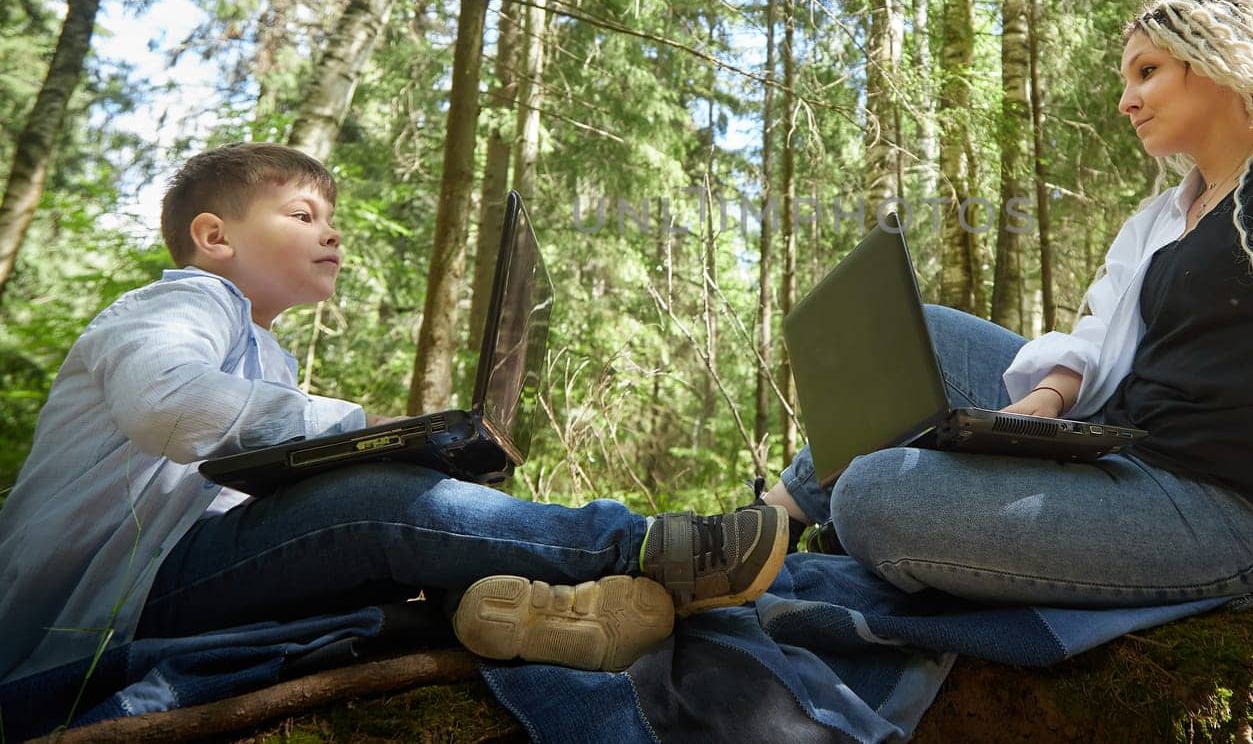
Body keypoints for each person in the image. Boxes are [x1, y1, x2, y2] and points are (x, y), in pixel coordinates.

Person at [763, 0, 1253, 641]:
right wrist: (1040, 409)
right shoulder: (1157, 220)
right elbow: (1091, 338)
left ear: (1218, 56)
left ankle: (815, 518)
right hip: (1121, 448)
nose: (1125, 99)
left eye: (1146, 71)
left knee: (876, 495)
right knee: (926, 332)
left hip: (1227, 510)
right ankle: (769, 520)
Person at [0, 143, 787, 686]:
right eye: (304, 214)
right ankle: (644, 546)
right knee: (373, 503)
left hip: (166, 584)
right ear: (213, 236)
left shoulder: (267, 353)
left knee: (384, 514)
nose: (332, 230)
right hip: (101, 602)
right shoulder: (182, 298)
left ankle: (509, 606)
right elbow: (166, 406)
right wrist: (349, 428)